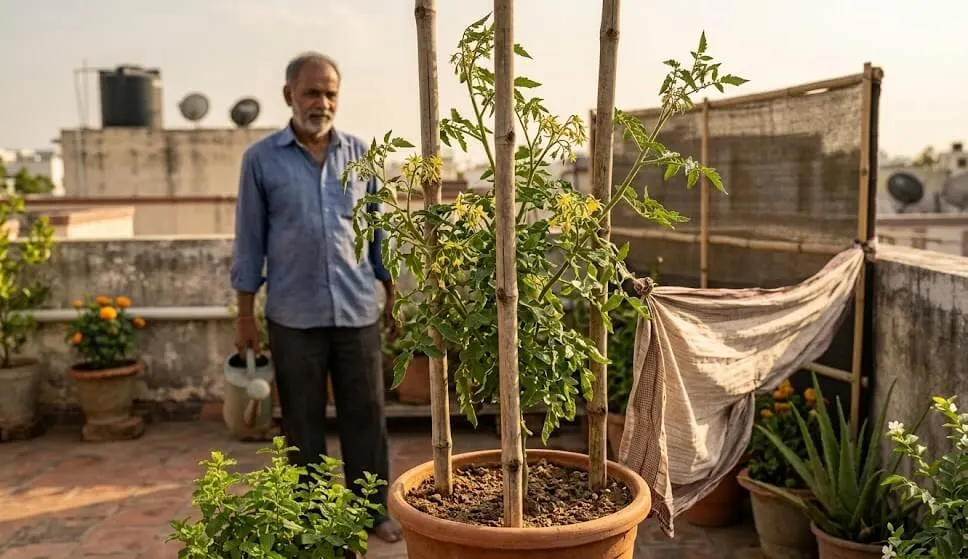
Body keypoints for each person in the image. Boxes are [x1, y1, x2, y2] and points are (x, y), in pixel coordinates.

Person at [229, 51, 401, 543]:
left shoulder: (362, 155)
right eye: (311, 92)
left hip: (356, 311)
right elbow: (249, 241)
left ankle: (372, 513)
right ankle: (311, 520)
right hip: (293, 316)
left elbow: (375, 234)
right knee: (302, 425)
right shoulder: (261, 160)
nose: (321, 102)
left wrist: (391, 295)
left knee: (366, 417)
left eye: (330, 93)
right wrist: (245, 315)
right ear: (289, 96)